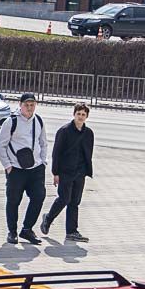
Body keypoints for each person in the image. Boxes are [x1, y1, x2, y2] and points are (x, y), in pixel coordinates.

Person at [0, 93, 48, 245]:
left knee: (39, 196)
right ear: (20, 105)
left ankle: (27, 230)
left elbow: (43, 143)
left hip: (36, 168)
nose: (29, 108)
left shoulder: (38, 121)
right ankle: (12, 231)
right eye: (27, 105)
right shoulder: (11, 122)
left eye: (32, 105)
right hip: (16, 169)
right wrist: (7, 166)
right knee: (13, 201)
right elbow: (0, 145)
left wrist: (43, 162)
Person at [42, 103, 94, 242]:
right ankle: (48, 218)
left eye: (83, 115)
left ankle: (71, 231)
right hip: (65, 172)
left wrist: (86, 170)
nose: (81, 117)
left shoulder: (89, 133)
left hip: (80, 172)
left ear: (86, 116)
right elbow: (56, 153)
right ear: (74, 114)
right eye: (79, 114)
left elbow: (89, 152)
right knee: (64, 199)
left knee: (75, 202)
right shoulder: (64, 131)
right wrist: (55, 173)